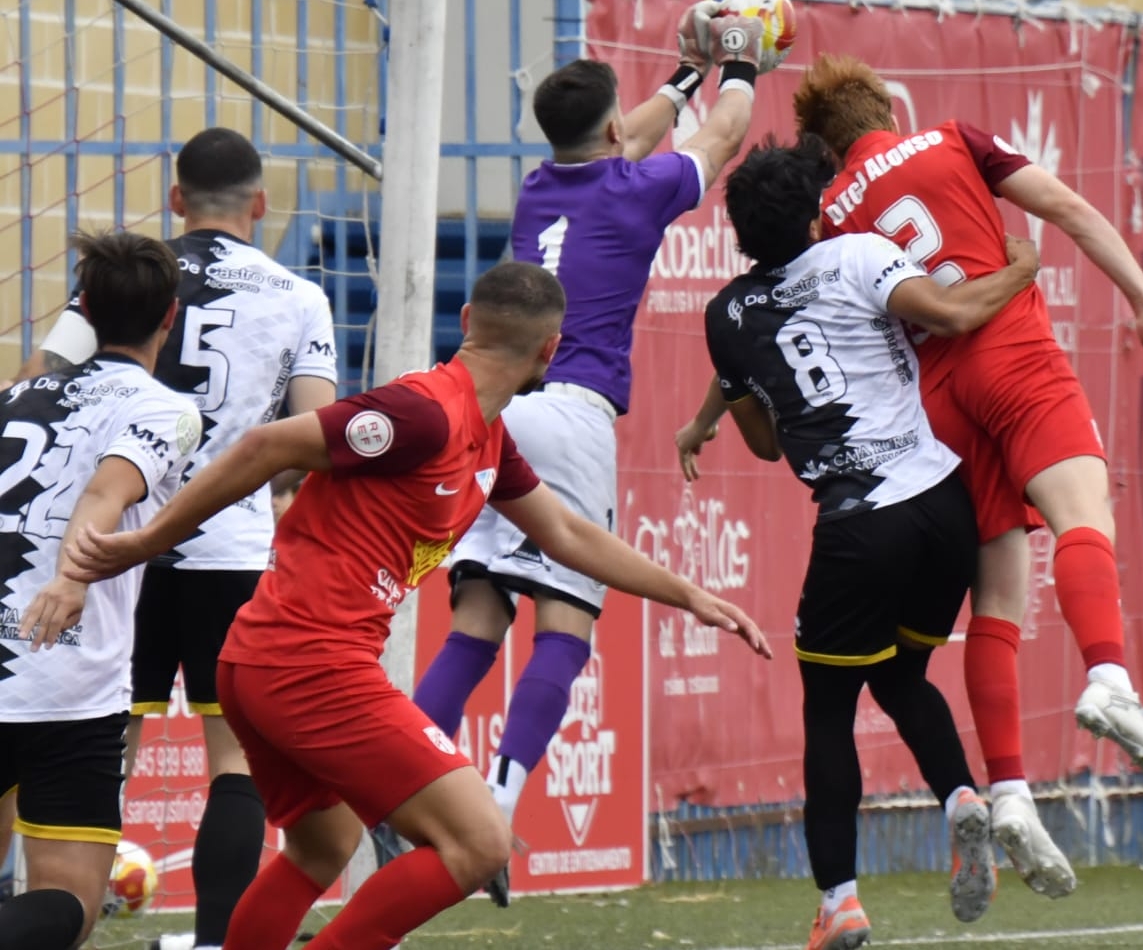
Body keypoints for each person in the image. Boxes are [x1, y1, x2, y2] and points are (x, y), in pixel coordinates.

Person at [65, 261, 770, 950]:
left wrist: (689, 594)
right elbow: (265, 442)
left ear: (466, 322)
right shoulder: (421, 414)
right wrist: (146, 540)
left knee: (324, 846)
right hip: (308, 665)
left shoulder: (487, 435)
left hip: (265, 660)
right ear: (551, 350)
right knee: (479, 842)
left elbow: (565, 531)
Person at [689, 53, 1143, 896]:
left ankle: (1006, 790)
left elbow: (771, 315)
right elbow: (1067, 210)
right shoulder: (952, 138)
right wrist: (1142, 297)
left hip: (937, 401)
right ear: (888, 107)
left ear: (824, 145)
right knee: (1082, 518)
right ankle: (1109, 676)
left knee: (996, 600)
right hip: (1006, 350)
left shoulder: (829, 223)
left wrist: (707, 415)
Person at [392, 4, 763, 897]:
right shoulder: (635, 191)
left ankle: (395, 788)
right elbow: (724, 136)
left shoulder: (535, 187)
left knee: (479, 616)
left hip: (499, 413)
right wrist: (741, 62)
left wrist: (678, 74)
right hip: (574, 416)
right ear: (610, 127)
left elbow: (620, 134)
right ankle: (500, 808)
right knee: (566, 620)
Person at [679, 136, 1040, 950]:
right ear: (815, 213)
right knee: (905, 673)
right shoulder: (858, 255)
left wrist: (718, 416)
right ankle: (960, 798)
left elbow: (769, 445)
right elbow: (949, 313)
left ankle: (839, 901)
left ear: (737, 233)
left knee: (829, 708)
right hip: (940, 505)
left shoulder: (724, 315)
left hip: (856, 523)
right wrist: (1023, 266)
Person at [16, 126, 339, 950]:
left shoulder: (127, 275)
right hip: (226, 546)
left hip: (103, 549)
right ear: (260, 204)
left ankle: (61, 917)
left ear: (175, 198)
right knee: (234, 760)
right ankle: (216, 941)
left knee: (92, 740)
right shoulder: (298, 294)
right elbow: (307, 433)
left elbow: (45, 388)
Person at [0, 231, 200, 950]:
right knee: (67, 904)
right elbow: (105, 491)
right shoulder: (165, 409)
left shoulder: (14, 394)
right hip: (62, 679)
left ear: (81, 307)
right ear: (170, 318)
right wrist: (71, 576)